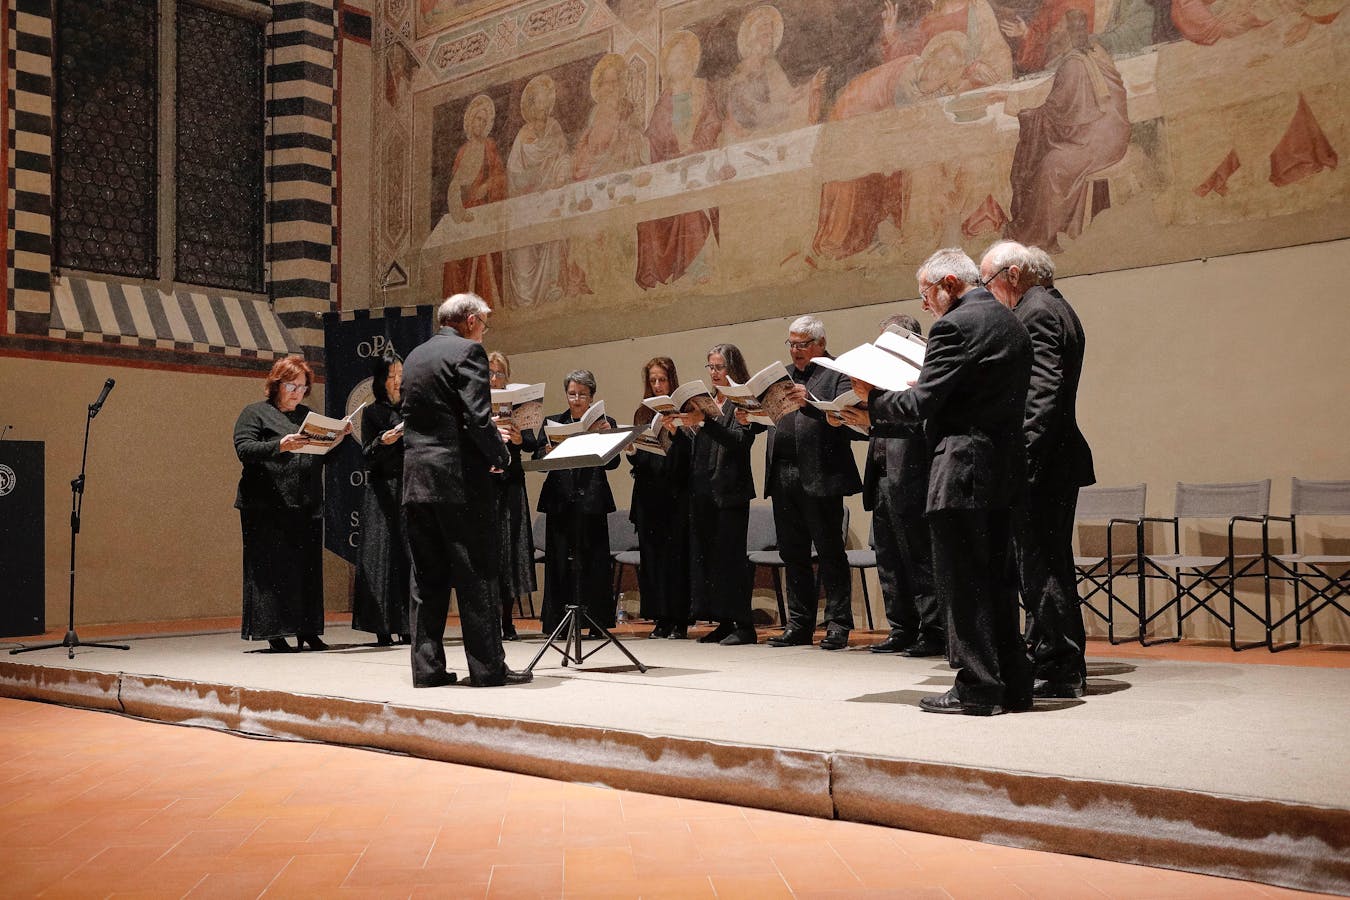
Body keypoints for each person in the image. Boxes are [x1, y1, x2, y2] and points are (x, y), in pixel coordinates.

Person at [851, 248, 1033, 715]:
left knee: (964, 583)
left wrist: (869, 405)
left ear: (949, 282)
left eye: (926, 295)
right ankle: (1012, 684)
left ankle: (976, 686)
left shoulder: (954, 325)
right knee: (996, 582)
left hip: (963, 470)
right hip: (1002, 470)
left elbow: (922, 405)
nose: (926, 306)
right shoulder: (1009, 320)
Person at [981, 240, 1095, 698]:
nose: (986, 292)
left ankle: (1060, 666)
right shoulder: (1052, 304)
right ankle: (1052, 655)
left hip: (1043, 464)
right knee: (1046, 565)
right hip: (1054, 460)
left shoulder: (1038, 311)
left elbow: (1043, 391)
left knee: (1041, 568)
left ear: (1011, 274)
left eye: (987, 281)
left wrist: (1022, 459)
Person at [401, 293, 530, 687]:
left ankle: (428, 670)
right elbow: (477, 418)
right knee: (477, 575)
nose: (485, 329)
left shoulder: (414, 357)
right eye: (485, 322)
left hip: (416, 483)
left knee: (427, 580)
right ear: (471, 320)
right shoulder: (469, 353)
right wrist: (501, 455)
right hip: (459, 483)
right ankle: (488, 668)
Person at [837, 314, 941, 657]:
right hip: (880, 476)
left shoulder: (919, 378)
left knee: (919, 558)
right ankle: (901, 628)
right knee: (889, 558)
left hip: (911, 476)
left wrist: (875, 416)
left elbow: (922, 425)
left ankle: (934, 630)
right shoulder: (879, 384)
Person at [761, 316, 864, 650]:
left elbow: (849, 422)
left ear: (820, 343)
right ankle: (799, 623)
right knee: (793, 552)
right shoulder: (784, 375)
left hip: (821, 473)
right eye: (791, 344)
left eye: (802, 344)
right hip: (783, 472)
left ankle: (837, 624)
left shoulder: (837, 372)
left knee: (830, 551)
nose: (795, 350)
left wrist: (813, 404)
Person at [233, 355, 348, 653]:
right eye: (291, 385)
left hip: (306, 504)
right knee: (272, 571)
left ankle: (307, 631)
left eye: (302, 386)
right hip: (266, 507)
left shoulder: (307, 416)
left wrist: (338, 439)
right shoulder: (255, 413)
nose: (297, 391)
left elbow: (324, 457)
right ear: (276, 385)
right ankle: (274, 632)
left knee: (307, 570)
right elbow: (245, 449)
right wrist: (279, 445)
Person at [1004, 9, 1129, 253]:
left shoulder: (1074, 64)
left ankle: (1037, 239)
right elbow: (1060, 97)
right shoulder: (1091, 52)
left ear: (1069, 34)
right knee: (1052, 158)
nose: (1054, 32)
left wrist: (1025, 115)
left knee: (1051, 165)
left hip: (1097, 142)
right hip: (1111, 133)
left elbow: (1056, 114)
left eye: (1059, 28)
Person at [683, 344, 764, 645]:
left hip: (730, 490)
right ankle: (723, 620)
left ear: (732, 368)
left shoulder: (741, 399)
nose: (714, 373)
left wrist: (704, 423)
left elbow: (738, 441)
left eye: (719, 367)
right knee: (711, 560)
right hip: (704, 489)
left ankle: (744, 626)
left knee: (731, 560)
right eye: (710, 367)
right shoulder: (708, 400)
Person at [535, 369, 620, 636]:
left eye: (582, 395)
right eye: (572, 394)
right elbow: (539, 463)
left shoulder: (605, 422)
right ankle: (558, 623)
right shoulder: (553, 422)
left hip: (592, 500)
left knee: (593, 561)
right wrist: (547, 451)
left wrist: (607, 438)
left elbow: (614, 463)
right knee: (559, 562)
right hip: (560, 500)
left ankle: (596, 623)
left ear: (592, 397)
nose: (576, 399)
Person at [628, 358, 692, 639]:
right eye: (652, 380)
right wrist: (631, 449)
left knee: (675, 560)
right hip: (647, 495)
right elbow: (640, 460)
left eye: (662, 380)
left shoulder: (684, 411)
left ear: (671, 380)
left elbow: (689, 457)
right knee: (651, 560)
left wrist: (677, 435)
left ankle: (679, 619)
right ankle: (660, 617)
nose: (656, 385)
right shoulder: (642, 412)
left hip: (675, 496)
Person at [352, 349, 412, 647]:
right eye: (392, 377)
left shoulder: (411, 411)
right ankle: (382, 626)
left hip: (408, 488)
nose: (398, 382)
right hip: (381, 491)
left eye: (402, 376)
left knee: (407, 556)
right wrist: (382, 440)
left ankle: (407, 624)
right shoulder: (373, 413)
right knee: (381, 557)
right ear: (381, 381)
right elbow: (367, 455)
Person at [488, 351, 540, 640]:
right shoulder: (476, 403)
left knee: (511, 551)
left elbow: (532, 442)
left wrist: (520, 439)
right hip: (485, 485)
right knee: (490, 553)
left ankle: (508, 621)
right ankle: (490, 619)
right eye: (490, 373)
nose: (494, 378)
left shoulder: (516, 403)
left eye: (499, 374)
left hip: (511, 484)